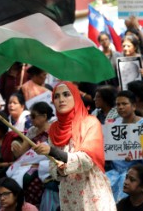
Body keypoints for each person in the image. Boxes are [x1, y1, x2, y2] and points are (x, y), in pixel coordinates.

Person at [33, 81, 116, 210]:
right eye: (56, 96)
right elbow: (52, 166)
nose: (61, 99)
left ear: (76, 97)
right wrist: (59, 170)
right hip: (68, 195)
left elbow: (87, 160)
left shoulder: (90, 122)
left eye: (66, 94)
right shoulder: (54, 128)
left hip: (92, 191)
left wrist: (52, 151)